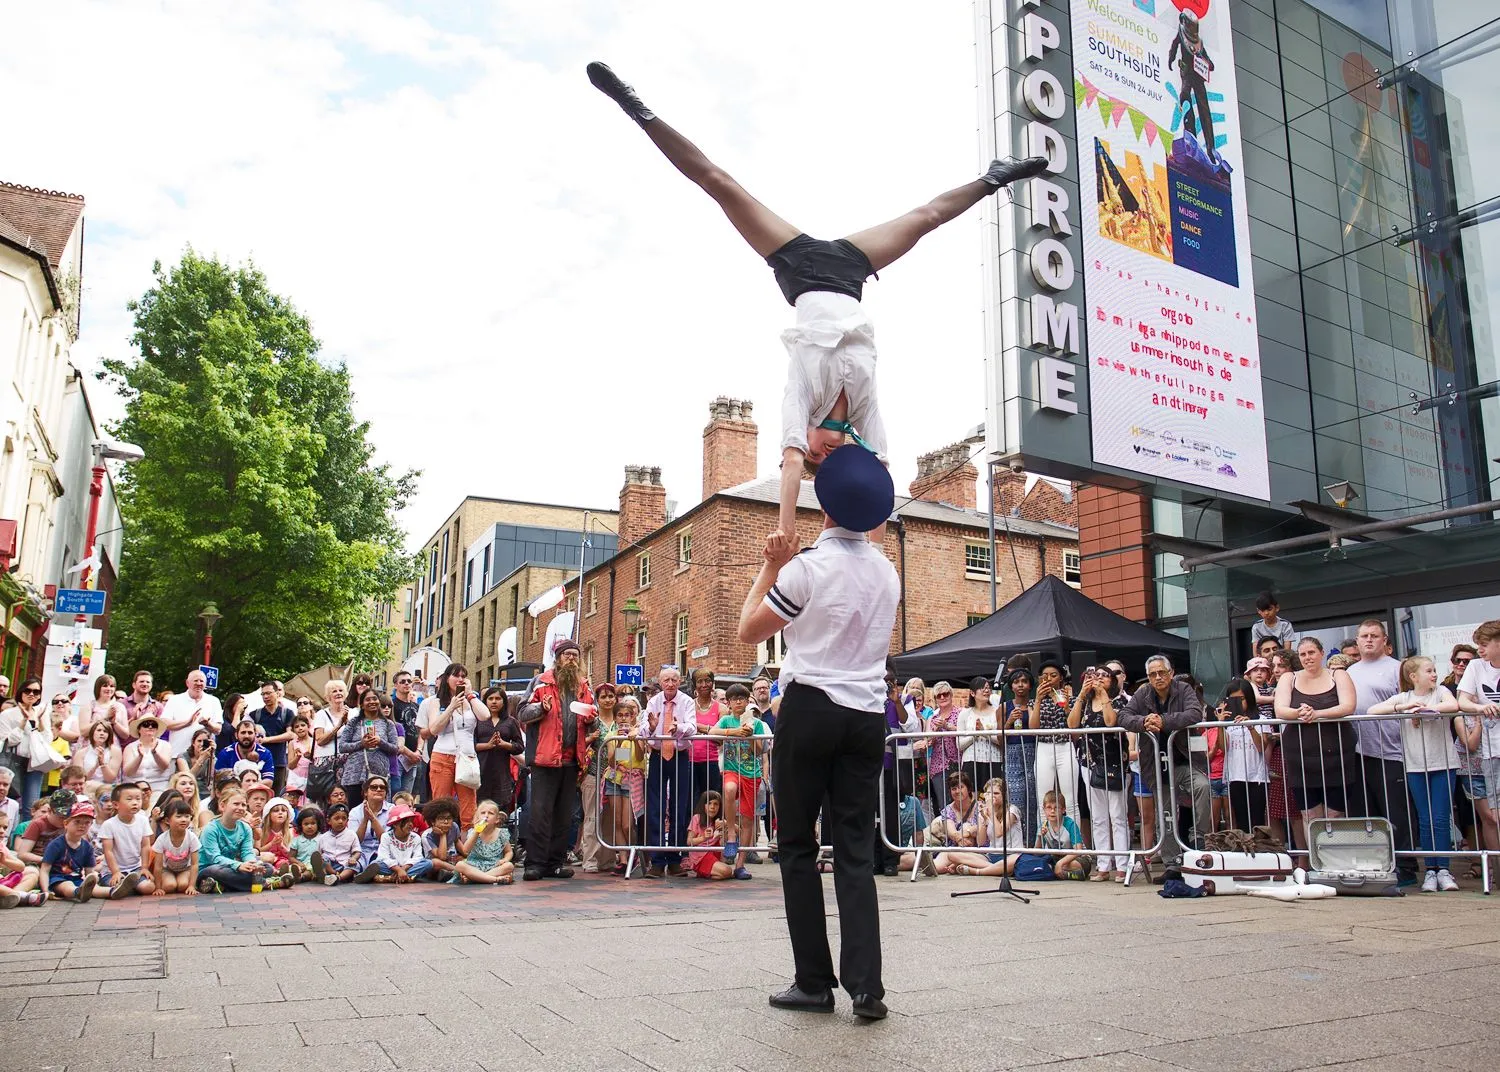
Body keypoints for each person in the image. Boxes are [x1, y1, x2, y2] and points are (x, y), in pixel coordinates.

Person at [586, 63, 1046, 546]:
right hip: (850, 273)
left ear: (802, 441)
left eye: (814, 456)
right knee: (926, 217)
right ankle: (994, 179)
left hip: (800, 267)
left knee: (720, 183)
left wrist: (785, 530)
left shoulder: (798, 401)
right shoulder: (864, 413)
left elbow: (788, 465)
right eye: (828, 458)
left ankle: (638, 110)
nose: (822, 454)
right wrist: (869, 539)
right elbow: (880, 471)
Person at [736, 443, 900, 1020]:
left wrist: (770, 563)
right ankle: (867, 987)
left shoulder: (806, 567)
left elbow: (747, 632)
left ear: (823, 507)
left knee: (799, 847)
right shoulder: (888, 573)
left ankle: (813, 981)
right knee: (855, 849)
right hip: (866, 715)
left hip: (809, 707)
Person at [1367, 655, 1459, 892]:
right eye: (1428, 670)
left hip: (1444, 763)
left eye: (1434, 670)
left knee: (1440, 818)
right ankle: (1430, 869)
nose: (1434, 674)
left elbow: (1453, 705)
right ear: (1413, 676)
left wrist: (1428, 709)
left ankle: (1444, 869)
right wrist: (1404, 707)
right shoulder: (1404, 697)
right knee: (1425, 819)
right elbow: (1373, 709)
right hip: (1416, 765)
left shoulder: (1440, 692)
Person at [1117, 655, 1211, 867]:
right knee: (1165, 814)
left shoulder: (1184, 689)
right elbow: (1123, 716)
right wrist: (1143, 722)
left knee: (1203, 786)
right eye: (1152, 674)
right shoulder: (1142, 694)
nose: (1157, 677)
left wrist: (1164, 720)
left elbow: (1195, 713)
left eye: (1161, 672)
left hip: (1185, 760)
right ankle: (1172, 863)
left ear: (1171, 673)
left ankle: (1198, 836)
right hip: (1156, 765)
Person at [1344, 620, 1416, 886]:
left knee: (1396, 812)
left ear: (1385, 640)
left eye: (1375, 636)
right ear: (1357, 640)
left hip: (1391, 751)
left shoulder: (1397, 668)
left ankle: (1405, 866)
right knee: (1366, 811)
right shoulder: (1350, 671)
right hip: (1358, 750)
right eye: (1364, 636)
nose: (1369, 640)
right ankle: (1373, 865)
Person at [518, 639, 596, 881]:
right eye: (566, 655)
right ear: (558, 658)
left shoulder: (584, 685)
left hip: (572, 759)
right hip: (544, 758)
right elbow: (522, 712)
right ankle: (535, 863)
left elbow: (591, 716)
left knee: (565, 814)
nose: (571, 659)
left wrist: (591, 717)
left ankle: (555, 862)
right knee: (540, 812)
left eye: (575, 655)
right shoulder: (541, 682)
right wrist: (541, 708)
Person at [1274, 636, 1358, 853]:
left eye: (1311, 652)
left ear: (1321, 653)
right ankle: (1316, 860)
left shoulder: (1338, 674)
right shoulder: (1288, 678)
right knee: (1310, 814)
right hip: (1301, 759)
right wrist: (1299, 713)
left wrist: (1317, 713)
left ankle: (1335, 859)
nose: (1307, 658)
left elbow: (1348, 706)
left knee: (1335, 814)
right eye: (1302, 654)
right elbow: (1281, 710)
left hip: (1337, 757)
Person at [638, 665, 697, 878]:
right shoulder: (653, 702)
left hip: (679, 756)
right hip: (657, 755)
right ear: (660, 683)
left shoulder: (687, 701)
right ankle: (657, 860)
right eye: (666, 680)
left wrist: (678, 728)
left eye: (674, 680)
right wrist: (653, 727)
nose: (670, 684)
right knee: (655, 807)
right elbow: (644, 730)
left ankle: (674, 859)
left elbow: (693, 726)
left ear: (679, 681)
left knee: (679, 807)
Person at [1071, 668, 1129, 881]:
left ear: (1112, 681)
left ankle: (1122, 864)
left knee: (1117, 816)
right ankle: (1104, 865)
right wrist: (1080, 695)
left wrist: (1103, 695)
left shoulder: (1120, 701)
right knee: (1098, 817)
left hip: (1115, 764)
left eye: (1103, 675)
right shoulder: (1085, 703)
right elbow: (1072, 724)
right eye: (1094, 676)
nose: (1098, 679)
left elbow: (1111, 721)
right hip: (1090, 764)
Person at [418, 664, 485, 827]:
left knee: (469, 809)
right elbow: (434, 729)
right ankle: (441, 846)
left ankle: (467, 848)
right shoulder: (435, 702)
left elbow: (485, 716)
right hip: (443, 756)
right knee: (442, 806)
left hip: (466, 758)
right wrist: (451, 707)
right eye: (456, 676)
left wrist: (470, 696)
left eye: (464, 676)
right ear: (447, 678)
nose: (460, 679)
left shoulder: (470, 700)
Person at [715, 683, 769, 878]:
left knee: (747, 818)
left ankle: (740, 864)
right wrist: (733, 732)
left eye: (742, 699)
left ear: (747, 702)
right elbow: (713, 732)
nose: (738, 702)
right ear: (728, 703)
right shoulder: (726, 720)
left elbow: (759, 751)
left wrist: (750, 734)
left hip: (751, 773)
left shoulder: (757, 723)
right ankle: (731, 834)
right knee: (729, 789)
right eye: (734, 699)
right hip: (732, 769)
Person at [197, 787, 280, 893]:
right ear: (222, 806)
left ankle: (221, 886)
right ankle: (267, 883)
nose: (241, 808)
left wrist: (253, 864)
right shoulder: (211, 829)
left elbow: (247, 852)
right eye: (236, 804)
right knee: (219, 872)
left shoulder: (245, 828)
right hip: (210, 868)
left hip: (232, 867)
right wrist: (239, 865)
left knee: (267, 867)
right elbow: (215, 858)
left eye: (243, 805)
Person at [1029, 662, 1079, 829]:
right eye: (1045, 676)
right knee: (1043, 800)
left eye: (1053, 675)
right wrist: (1037, 700)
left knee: (1070, 800)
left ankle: (1075, 844)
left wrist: (1066, 707)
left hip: (1065, 746)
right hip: (1044, 747)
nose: (1049, 679)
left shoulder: (1071, 699)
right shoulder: (1034, 701)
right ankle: (1044, 844)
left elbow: (1074, 725)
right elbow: (1033, 728)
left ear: (1061, 678)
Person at [1218, 677, 1270, 833]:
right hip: (1235, 776)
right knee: (1241, 819)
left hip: (1257, 777)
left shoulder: (1262, 719)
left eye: (1241, 699)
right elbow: (1223, 748)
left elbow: (1261, 746)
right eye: (1233, 700)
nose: (1239, 703)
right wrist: (1220, 724)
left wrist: (1251, 727)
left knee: (1258, 819)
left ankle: (1260, 851)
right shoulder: (1227, 723)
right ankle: (1245, 851)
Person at [575, 682, 617, 874]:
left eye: (611, 696)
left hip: (616, 777)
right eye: (603, 697)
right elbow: (578, 744)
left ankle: (607, 860)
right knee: (591, 817)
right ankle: (589, 859)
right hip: (593, 774)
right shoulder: (590, 722)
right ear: (597, 700)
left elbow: (624, 750)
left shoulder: (621, 720)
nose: (608, 700)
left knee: (610, 819)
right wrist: (590, 739)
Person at [337, 688, 400, 797]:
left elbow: (395, 749)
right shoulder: (354, 722)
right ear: (361, 704)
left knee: (378, 810)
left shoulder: (388, 724)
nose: (372, 702)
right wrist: (361, 744)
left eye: (375, 699)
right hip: (354, 775)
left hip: (379, 775)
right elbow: (342, 747)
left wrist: (380, 742)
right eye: (368, 700)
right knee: (356, 810)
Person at [40, 797, 105, 902]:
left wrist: (93, 878)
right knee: (67, 885)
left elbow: (89, 872)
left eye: (87, 822)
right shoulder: (56, 844)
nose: (82, 826)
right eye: (77, 822)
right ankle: (78, 892)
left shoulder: (87, 847)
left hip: (78, 879)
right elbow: (45, 869)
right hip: (57, 879)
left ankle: (113, 891)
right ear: (66, 824)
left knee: (96, 888)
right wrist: (46, 890)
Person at [1001, 668, 1039, 846]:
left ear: (1030, 684)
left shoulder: (1034, 704)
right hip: (1012, 754)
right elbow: (999, 738)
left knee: (1033, 801)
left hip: (1033, 752)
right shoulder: (1004, 706)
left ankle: (1032, 845)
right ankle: (1017, 844)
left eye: (1024, 681)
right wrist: (1009, 721)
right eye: (1016, 682)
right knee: (1016, 803)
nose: (1020, 685)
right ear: (1011, 686)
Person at [100, 783, 157, 898]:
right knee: (116, 887)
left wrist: (144, 868)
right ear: (116, 804)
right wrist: (116, 872)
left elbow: (145, 846)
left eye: (138, 798)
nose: (135, 802)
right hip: (112, 870)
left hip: (135, 869)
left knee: (148, 887)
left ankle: (130, 886)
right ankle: (112, 883)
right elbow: (108, 851)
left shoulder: (143, 821)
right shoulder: (109, 824)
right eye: (129, 799)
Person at [474, 688, 522, 815]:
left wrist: (505, 744)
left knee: (499, 811)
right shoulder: (478, 720)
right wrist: (487, 745)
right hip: (480, 770)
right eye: (490, 699)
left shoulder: (511, 722)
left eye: (497, 699)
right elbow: (469, 745)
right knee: (479, 809)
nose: (494, 702)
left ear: (504, 701)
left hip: (502, 772)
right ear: (485, 701)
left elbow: (520, 747)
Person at [161, 670, 223, 762]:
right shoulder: (174, 700)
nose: (198, 683)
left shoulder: (214, 701)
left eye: (201, 681)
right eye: (195, 680)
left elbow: (218, 729)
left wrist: (207, 724)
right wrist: (187, 722)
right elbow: (164, 724)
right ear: (187, 683)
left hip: (204, 757)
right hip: (177, 755)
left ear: (205, 684)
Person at [310, 680, 354, 807]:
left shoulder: (353, 713)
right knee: (325, 797)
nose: (338, 693)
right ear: (328, 696)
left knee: (345, 797)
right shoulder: (321, 715)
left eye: (340, 690)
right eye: (334, 691)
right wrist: (339, 725)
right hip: (325, 762)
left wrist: (348, 723)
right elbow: (320, 740)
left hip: (347, 760)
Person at [959, 678, 1004, 795]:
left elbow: (1001, 740)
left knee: (993, 796)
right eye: (982, 688)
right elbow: (959, 744)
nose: (986, 690)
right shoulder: (965, 713)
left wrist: (984, 732)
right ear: (972, 693)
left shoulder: (997, 711)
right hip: (970, 761)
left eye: (988, 688)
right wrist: (975, 734)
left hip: (993, 760)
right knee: (971, 797)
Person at [454, 799, 515, 885]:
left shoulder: (501, 833)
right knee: (460, 865)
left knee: (509, 866)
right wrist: (476, 832)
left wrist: (505, 859)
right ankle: (495, 879)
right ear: (478, 817)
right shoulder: (473, 832)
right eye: (483, 813)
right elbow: (465, 851)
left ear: (497, 819)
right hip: (474, 865)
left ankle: (475, 878)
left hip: (494, 865)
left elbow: (509, 851)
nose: (486, 816)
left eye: (490, 813)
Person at [251, 683, 296, 795]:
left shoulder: (287, 713)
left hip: (279, 762)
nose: (265, 697)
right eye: (263, 694)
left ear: (277, 693)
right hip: (259, 762)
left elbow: (290, 735)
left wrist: (267, 740)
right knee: (257, 794)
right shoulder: (255, 714)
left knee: (277, 795)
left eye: (268, 693)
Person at [150, 801, 201, 896]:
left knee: (183, 885)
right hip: (167, 870)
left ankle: (190, 883)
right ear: (167, 821)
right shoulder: (162, 839)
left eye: (187, 816)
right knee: (169, 886)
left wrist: (191, 886)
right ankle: (163, 881)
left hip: (185, 869)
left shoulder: (192, 837)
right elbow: (158, 866)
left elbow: (194, 864)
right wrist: (158, 887)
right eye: (179, 816)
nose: (184, 820)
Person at [348, 776, 391, 882]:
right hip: (361, 852)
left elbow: (386, 840)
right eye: (374, 787)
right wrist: (365, 819)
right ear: (365, 792)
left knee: (380, 864)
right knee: (353, 865)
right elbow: (356, 840)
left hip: (383, 851)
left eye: (382, 787)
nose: (378, 790)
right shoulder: (355, 812)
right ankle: (363, 873)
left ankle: (368, 873)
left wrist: (373, 818)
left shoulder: (392, 810)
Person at [685, 790, 735, 880]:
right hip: (701, 856)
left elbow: (739, 830)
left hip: (715, 853)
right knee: (727, 871)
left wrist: (726, 824)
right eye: (709, 803)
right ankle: (706, 871)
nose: (712, 807)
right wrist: (703, 838)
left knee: (726, 872)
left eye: (716, 804)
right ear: (703, 805)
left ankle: (706, 873)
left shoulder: (719, 821)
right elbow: (689, 841)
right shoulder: (697, 818)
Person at [121, 714, 177, 794]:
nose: (150, 727)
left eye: (153, 725)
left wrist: (155, 753)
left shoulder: (165, 745)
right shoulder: (130, 747)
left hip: (158, 788)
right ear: (139, 729)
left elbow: (164, 766)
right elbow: (128, 772)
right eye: (146, 725)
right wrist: (140, 757)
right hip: (133, 788)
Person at [389, 671, 423, 797]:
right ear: (396, 685)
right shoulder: (391, 705)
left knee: (407, 797)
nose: (407, 684)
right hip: (398, 757)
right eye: (402, 681)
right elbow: (393, 734)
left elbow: (421, 731)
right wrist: (410, 754)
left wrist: (418, 751)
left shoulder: (416, 706)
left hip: (414, 758)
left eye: (409, 681)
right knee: (395, 797)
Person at [419, 799, 461, 882]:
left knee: (464, 859)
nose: (446, 822)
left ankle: (455, 872)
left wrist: (466, 856)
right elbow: (442, 856)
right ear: (433, 822)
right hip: (436, 865)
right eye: (441, 818)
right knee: (436, 862)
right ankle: (459, 872)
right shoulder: (427, 835)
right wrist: (443, 834)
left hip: (451, 860)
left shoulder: (454, 826)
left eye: (449, 818)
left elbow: (458, 843)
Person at [317, 804, 360, 885]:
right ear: (329, 820)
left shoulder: (351, 834)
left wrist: (353, 858)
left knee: (356, 865)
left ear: (347, 821)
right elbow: (318, 853)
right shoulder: (323, 837)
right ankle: (331, 874)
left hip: (345, 864)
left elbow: (357, 851)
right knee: (323, 858)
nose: (340, 821)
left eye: (344, 818)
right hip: (329, 865)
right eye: (337, 818)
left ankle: (338, 878)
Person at [288, 806, 326, 884]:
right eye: (306, 824)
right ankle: (289, 875)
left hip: (315, 865)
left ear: (318, 824)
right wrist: (298, 863)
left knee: (312, 869)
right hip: (300, 864)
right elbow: (291, 857)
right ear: (301, 825)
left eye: (313, 823)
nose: (309, 826)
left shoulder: (323, 838)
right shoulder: (297, 840)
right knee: (291, 868)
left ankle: (301, 877)